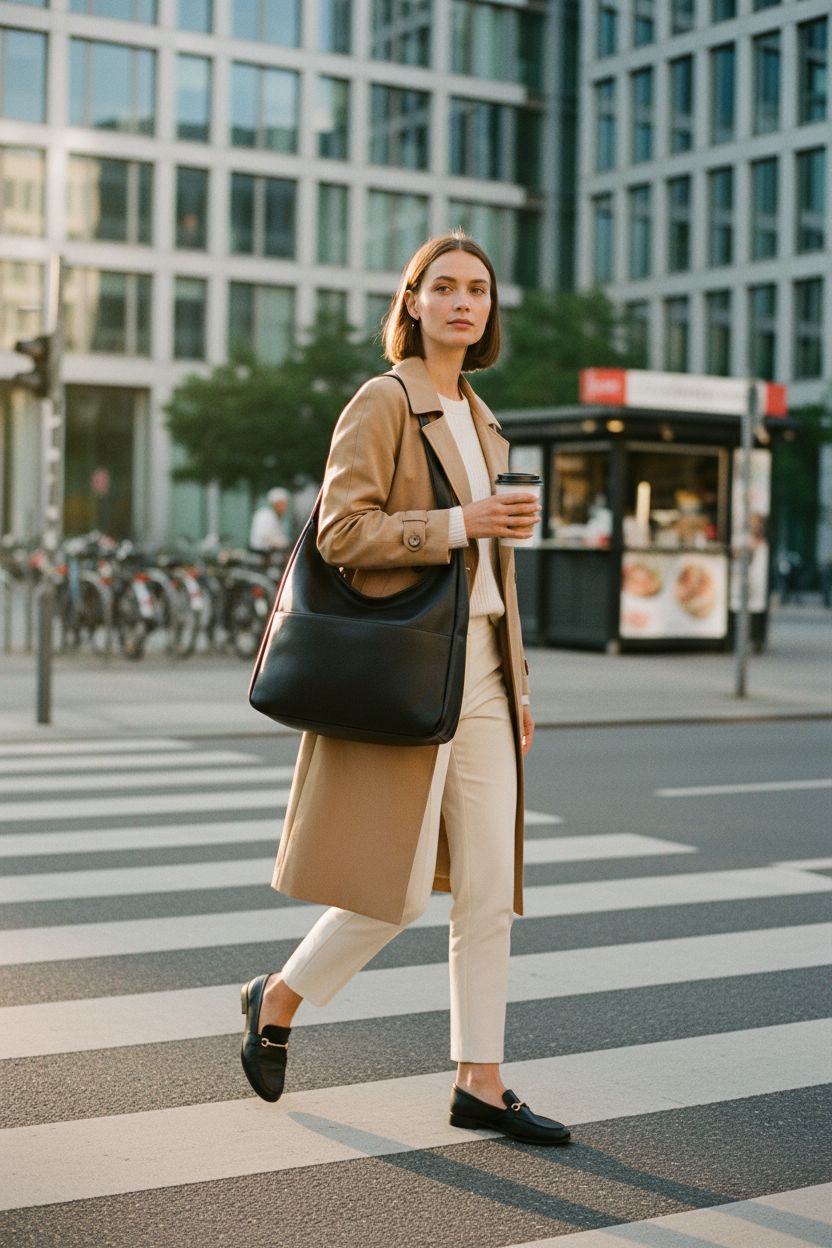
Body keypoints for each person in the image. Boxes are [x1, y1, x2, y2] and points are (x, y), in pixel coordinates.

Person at [240, 232, 571, 1146]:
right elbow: (344, 533)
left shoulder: (486, 418)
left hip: (488, 682)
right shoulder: (384, 402)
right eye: (445, 286)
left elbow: (498, 579)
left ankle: (481, 1080)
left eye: (479, 289)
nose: (465, 301)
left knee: (487, 890)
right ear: (413, 301)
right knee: (398, 891)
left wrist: (522, 688)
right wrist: (457, 522)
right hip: (413, 673)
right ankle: (278, 995)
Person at [249, 487, 291, 554]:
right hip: (259, 554)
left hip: (270, 553)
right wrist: (282, 543)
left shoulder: (277, 517)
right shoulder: (264, 515)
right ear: (274, 504)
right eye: (281, 504)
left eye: (285, 504)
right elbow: (264, 536)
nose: (284, 507)